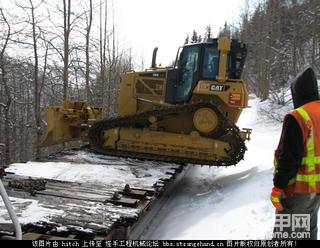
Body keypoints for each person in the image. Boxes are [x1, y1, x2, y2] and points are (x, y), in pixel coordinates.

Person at [271, 67, 320, 240]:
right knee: (309, 231)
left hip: (297, 192)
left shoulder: (298, 116)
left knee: (289, 236)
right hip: (316, 191)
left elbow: (288, 158)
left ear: (298, 91)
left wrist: (278, 187)